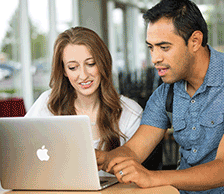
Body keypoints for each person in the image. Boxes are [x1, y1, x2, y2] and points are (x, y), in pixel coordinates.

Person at [96, 0, 224, 193]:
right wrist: (104, 158)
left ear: (195, 41)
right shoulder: (165, 93)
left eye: (164, 47)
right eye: (151, 48)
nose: (155, 58)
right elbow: (133, 151)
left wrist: (151, 177)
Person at [25, 27, 143, 176]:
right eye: (73, 67)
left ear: (103, 63)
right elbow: (21, 151)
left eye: (91, 64)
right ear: (64, 71)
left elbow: (138, 175)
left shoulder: (130, 113)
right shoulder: (47, 104)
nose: (83, 75)